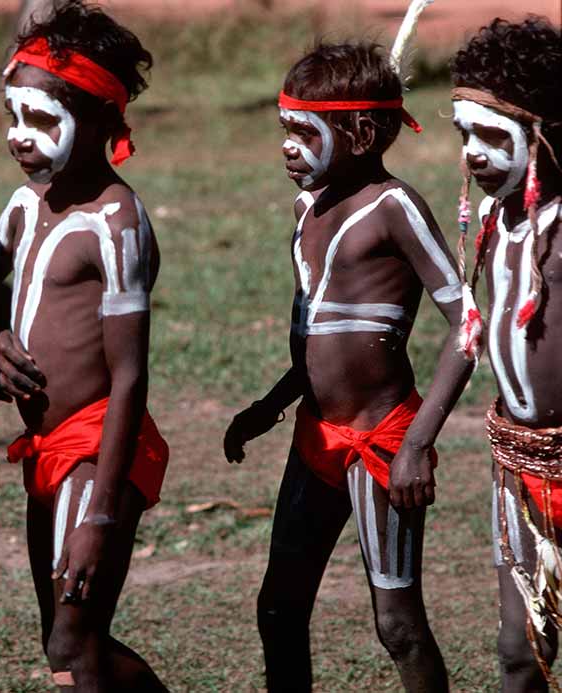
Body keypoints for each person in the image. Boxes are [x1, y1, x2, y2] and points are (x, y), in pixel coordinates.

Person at [222, 39, 473, 692]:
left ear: (360, 132)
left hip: (380, 439)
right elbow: (316, 335)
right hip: (315, 435)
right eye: (284, 130)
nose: (286, 146)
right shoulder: (307, 209)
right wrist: (271, 404)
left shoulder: (394, 208)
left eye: (303, 131)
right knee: (278, 605)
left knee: (397, 624)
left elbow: (468, 325)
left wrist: (418, 443)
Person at [0, 3, 169, 690]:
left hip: (96, 447)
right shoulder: (25, 205)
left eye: (44, 121)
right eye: (14, 117)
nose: (21, 138)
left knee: (72, 642)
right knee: (68, 642)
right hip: (46, 450)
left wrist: (102, 512)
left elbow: (130, 377)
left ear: (105, 125)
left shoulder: (118, 224)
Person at [449, 17, 562, 692]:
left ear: (546, 134)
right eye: (464, 134)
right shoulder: (498, 223)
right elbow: (466, 331)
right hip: (516, 468)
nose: (472, 154)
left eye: (493, 136)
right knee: (518, 650)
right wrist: (419, 434)